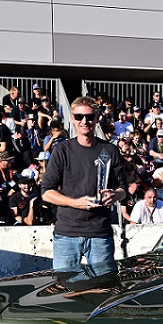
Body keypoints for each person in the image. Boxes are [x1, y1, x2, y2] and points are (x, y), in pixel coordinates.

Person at [41, 96, 127, 270]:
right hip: (67, 234)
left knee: (104, 291)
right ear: (72, 118)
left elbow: (124, 188)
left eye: (89, 116)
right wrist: (75, 203)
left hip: (100, 234)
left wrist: (115, 195)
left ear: (96, 118)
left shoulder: (110, 150)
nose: (84, 121)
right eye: (79, 116)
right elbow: (46, 192)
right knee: (66, 291)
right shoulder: (61, 150)